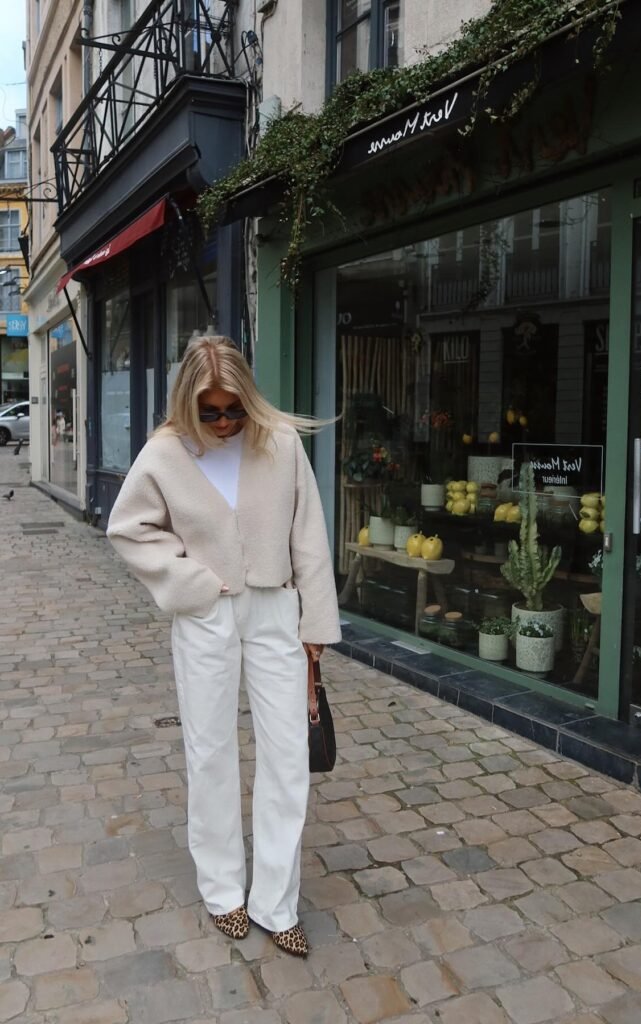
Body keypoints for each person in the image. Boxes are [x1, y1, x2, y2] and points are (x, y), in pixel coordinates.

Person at [107, 336, 341, 957]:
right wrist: (191, 583)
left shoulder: (280, 443)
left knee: (287, 756)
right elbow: (128, 528)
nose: (224, 422)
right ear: (188, 402)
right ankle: (222, 892)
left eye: (233, 408)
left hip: (274, 608)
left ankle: (276, 902)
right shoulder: (165, 452)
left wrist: (316, 626)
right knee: (210, 750)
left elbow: (309, 536)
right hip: (206, 611)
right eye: (209, 411)